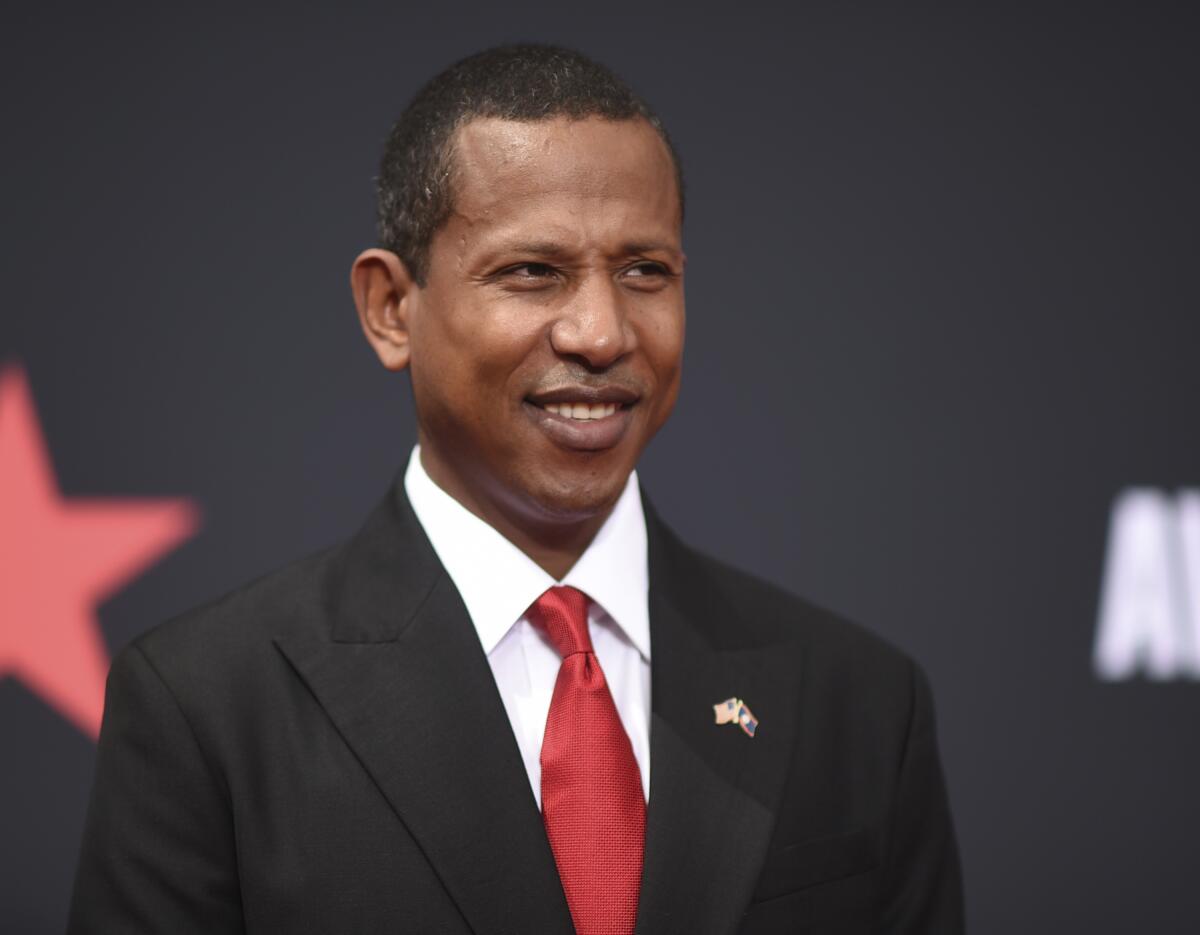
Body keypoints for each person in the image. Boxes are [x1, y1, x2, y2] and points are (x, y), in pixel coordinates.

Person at [67, 44, 964, 934]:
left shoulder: (863, 704)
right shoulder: (206, 706)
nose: (602, 331)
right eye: (533, 271)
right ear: (391, 308)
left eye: (645, 270)